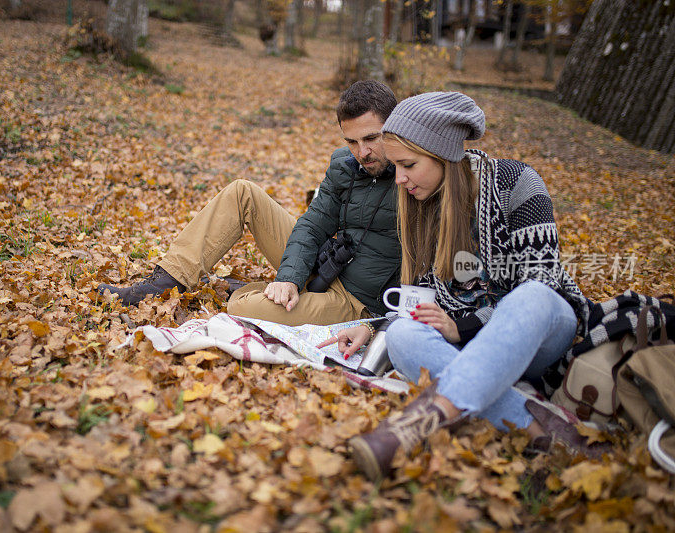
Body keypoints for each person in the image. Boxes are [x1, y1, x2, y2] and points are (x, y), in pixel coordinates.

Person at [320, 92, 606, 481]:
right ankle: (535, 427)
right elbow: (421, 295)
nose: (398, 177)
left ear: (442, 155)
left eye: (408, 165)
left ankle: (419, 422)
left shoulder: (517, 183)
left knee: (534, 296)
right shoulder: (421, 204)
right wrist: (374, 327)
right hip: (469, 345)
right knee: (404, 335)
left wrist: (464, 325)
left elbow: (544, 279)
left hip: (542, 333)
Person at [98, 80, 402, 326]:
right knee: (242, 192)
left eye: (371, 138)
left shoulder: (414, 175)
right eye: (352, 141)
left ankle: (236, 289)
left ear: (395, 125)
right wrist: (289, 278)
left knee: (242, 307)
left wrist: (380, 325)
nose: (362, 152)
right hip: (326, 265)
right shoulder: (344, 164)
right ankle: (164, 282)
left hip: (357, 303)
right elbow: (312, 225)